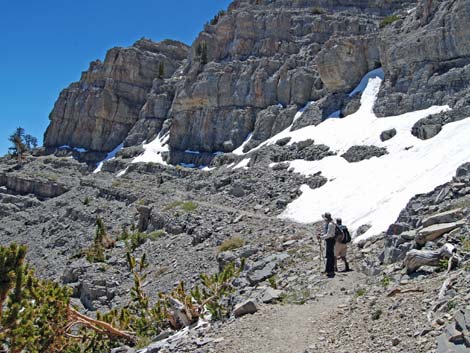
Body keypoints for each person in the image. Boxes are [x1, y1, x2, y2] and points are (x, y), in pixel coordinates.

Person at [317, 212, 336, 278]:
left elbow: (329, 234)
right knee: (329, 254)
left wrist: (321, 237)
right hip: (329, 240)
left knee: (329, 255)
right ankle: (328, 269)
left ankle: (330, 270)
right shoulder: (329, 223)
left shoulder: (331, 224)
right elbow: (327, 233)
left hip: (330, 240)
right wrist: (322, 235)